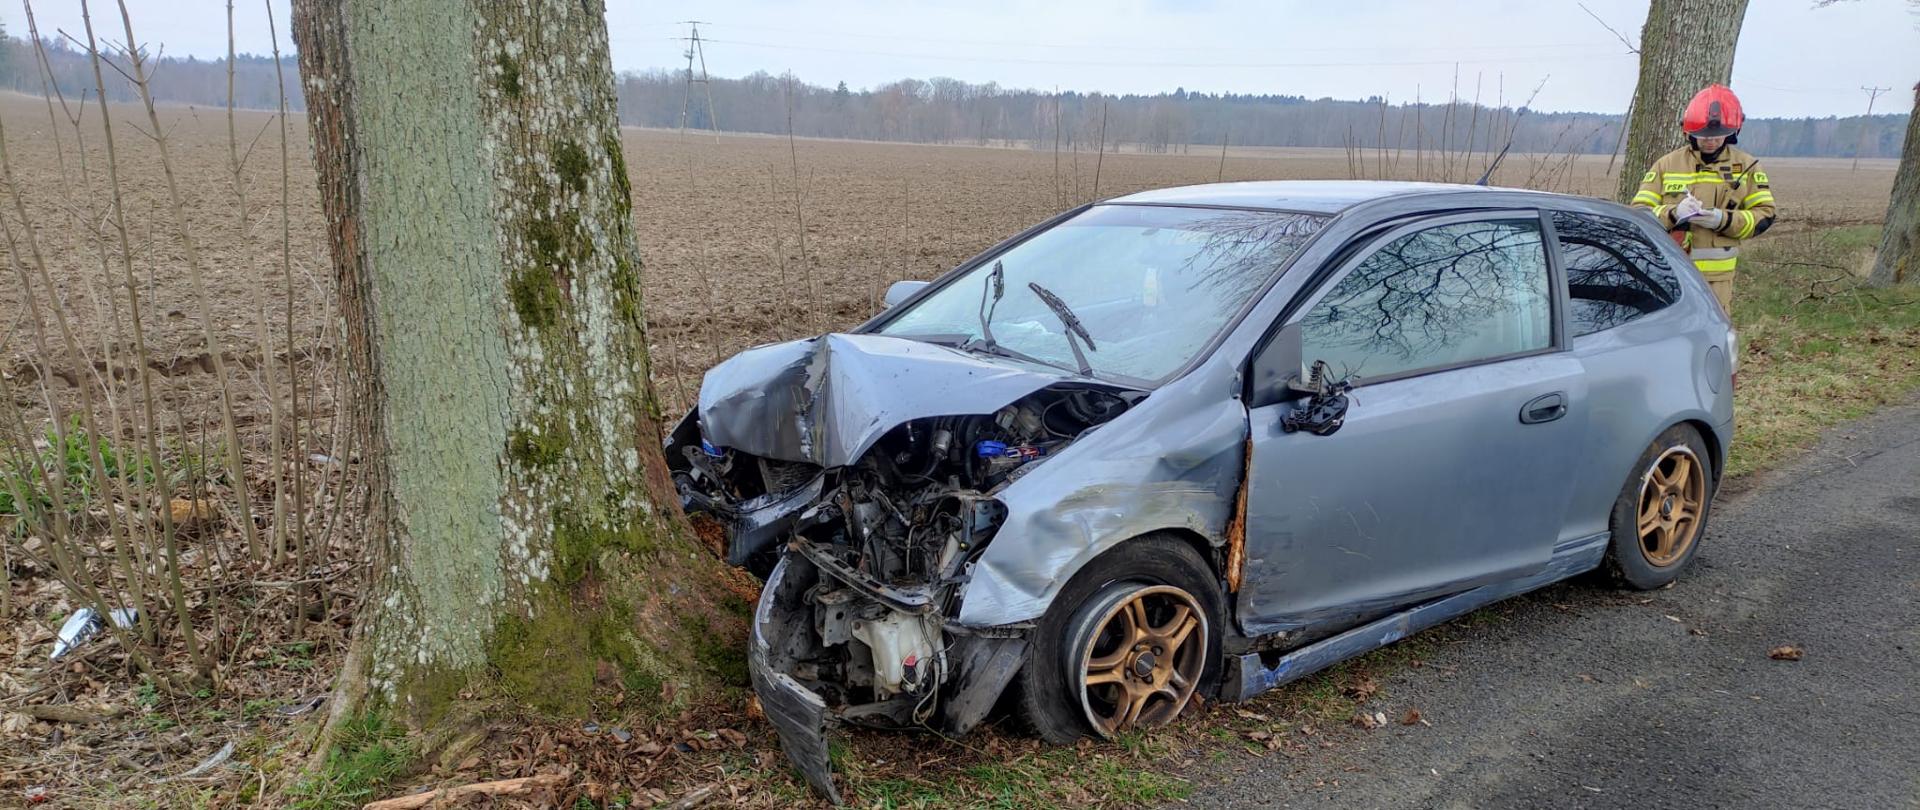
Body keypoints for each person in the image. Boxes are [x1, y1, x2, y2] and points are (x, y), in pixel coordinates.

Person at [1629, 84, 1778, 315]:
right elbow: (1639, 213)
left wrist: (1722, 220)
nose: (1710, 142)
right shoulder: (1666, 165)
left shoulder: (1747, 167)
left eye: (1718, 137)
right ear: (1688, 133)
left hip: (1716, 282)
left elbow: (1765, 215)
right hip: (1668, 272)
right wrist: (1673, 213)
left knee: (1712, 337)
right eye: (1703, 136)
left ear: (1732, 133)